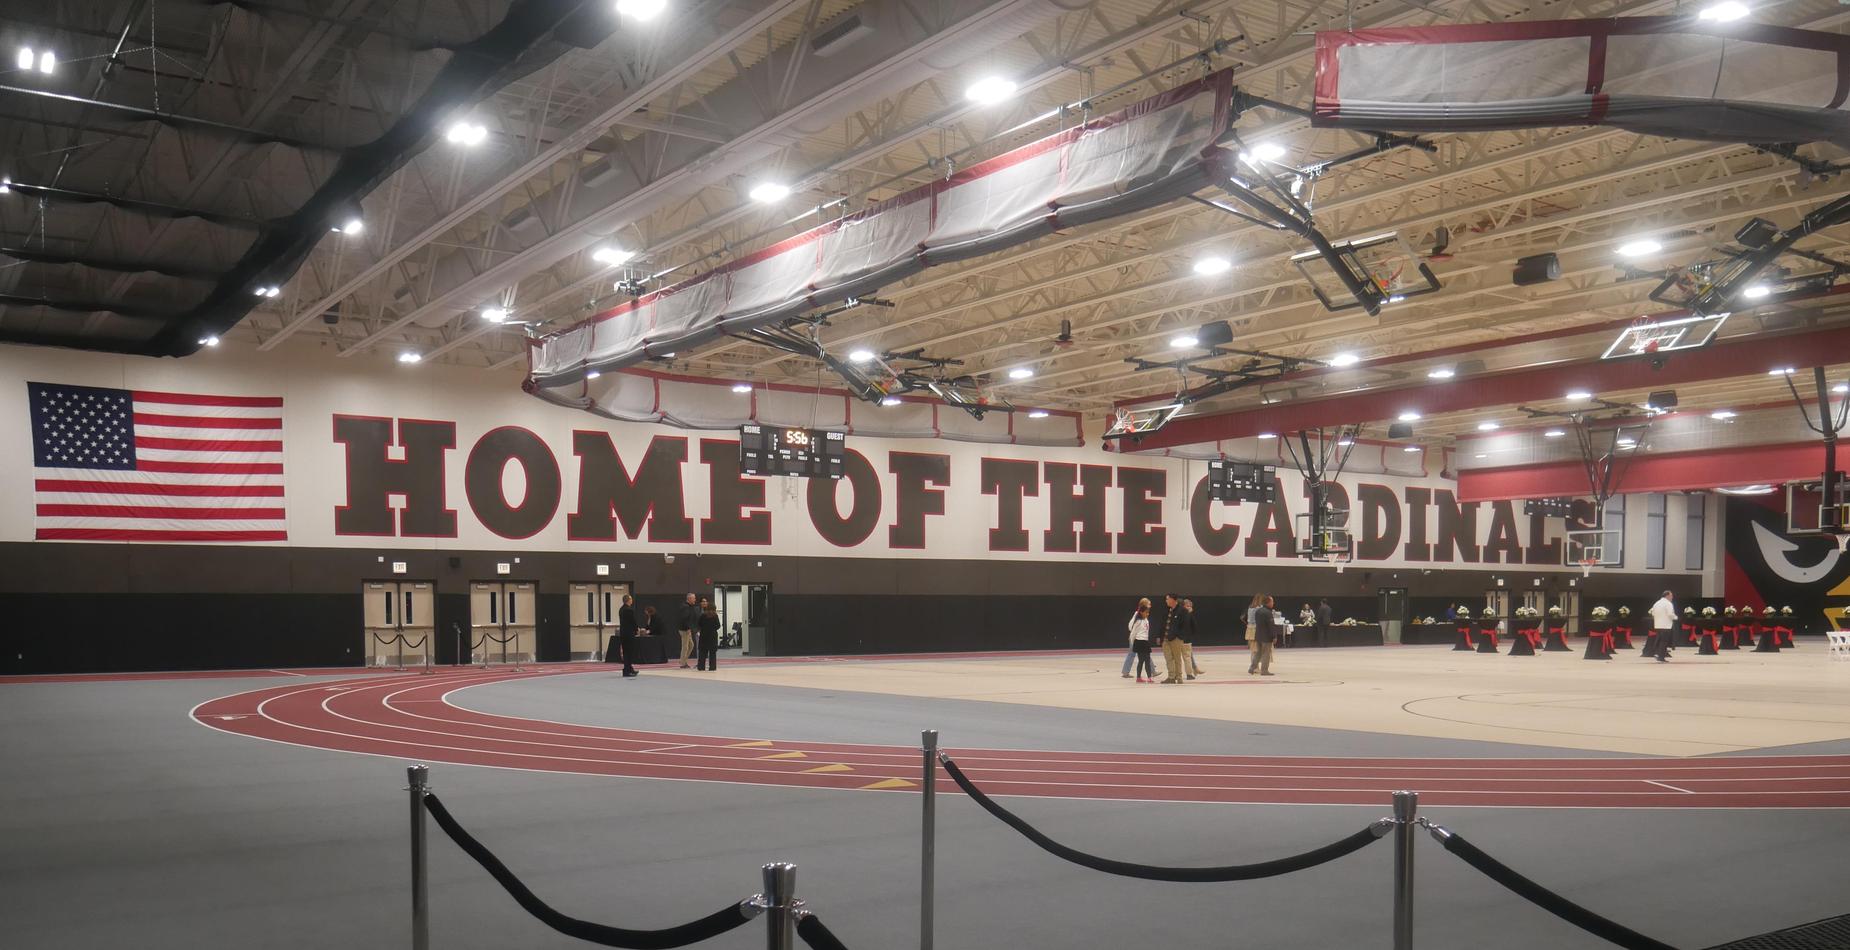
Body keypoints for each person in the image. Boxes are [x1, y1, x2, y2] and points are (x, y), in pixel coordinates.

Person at [1159, 593, 1186, 684]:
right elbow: (1162, 624)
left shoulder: (1182, 610)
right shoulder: (1167, 610)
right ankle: (1171, 677)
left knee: (1177, 658)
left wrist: (1178, 636)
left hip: (1176, 639)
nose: (1166, 601)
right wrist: (1160, 636)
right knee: (1168, 658)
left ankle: (1179, 677)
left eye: (1167, 599)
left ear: (1173, 600)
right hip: (1166, 639)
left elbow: (1184, 626)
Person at [1250, 594, 1278, 676]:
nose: (1273, 603)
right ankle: (1264, 670)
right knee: (1266, 653)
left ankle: (1252, 668)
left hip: (1258, 635)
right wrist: (1274, 636)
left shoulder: (1258, 611)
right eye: (1272, 601)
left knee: (1258, 653)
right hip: (1266, 637)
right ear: (1268, 602)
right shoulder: (1268, 613)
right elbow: (1271, 626)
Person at [1128, 599, 1155, 683]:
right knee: (1141, 660)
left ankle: (1149, 677)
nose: (1148, 614)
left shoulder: (1146, 620)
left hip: (1145, 642)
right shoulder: (1138, 621)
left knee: (1147, 660)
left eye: (1148, 612)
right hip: (1139, 642)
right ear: (1141, 612)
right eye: (1146, 612)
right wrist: (1132, 642)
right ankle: (1138, 677)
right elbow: (1133, 633)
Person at [1647, 589, 1676, 663]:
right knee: (1664, 641)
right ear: (1667, 595)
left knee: (1660, 640)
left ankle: (1658, 654)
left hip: (1658, 625)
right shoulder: (1668, 603)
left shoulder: (1657, 603)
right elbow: (1670, 614)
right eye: (1671, 595)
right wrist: (1675, 617)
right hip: (1666, 625)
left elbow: (1653, 613)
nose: (1672, 597)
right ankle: (1661, 657)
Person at [616, 593, 638, 677]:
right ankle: (627, 670)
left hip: (623, 633)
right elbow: (632, 621)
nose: (632, 600)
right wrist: (637, 629)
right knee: (629, 652)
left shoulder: (621, 609)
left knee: (626, 652)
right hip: (629, 633)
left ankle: (628, 668)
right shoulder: (629, 610)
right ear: (628, 600)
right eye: (631, 599)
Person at [696, 598, 721, 671]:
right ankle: (712, 667)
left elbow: (699, 624)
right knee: (712, 653)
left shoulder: (703, 615)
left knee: (702, 652)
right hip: (712, 636)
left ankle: (701, 667)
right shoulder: (715, 616)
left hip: (703, 635)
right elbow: (718, 625)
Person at [1181, 599, 1204, 678]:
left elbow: (1194, 626)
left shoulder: (1188, 614)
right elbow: (1192, 626)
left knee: (1189, 655)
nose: (1189, 608)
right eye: (1187, 606)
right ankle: (1191, 672)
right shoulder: (1184, 614)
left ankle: (1194, 669)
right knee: (1187, 656)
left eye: (1190, 606)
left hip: (1186, 638)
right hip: (1181, 638)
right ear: (1183, 606)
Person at [677, 592, 699, 669]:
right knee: (685, 647)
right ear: (689, 599)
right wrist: (688, 628)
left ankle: (683, 660)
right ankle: (683, 663)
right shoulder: (685, 607)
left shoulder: (689, 606)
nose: (695, 600)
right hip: (684, 629)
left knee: (691, 645)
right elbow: (685, 619)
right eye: (694, 598)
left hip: (686, 629)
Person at [1245, 593, 1264, 662]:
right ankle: (1255, 667)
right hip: (1256, 629)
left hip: (1250, 629)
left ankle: (1253, 666)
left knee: (1253, 649)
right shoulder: (1259, 608)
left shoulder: (1250, 607)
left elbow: (1248, 619)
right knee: (1258, 649)